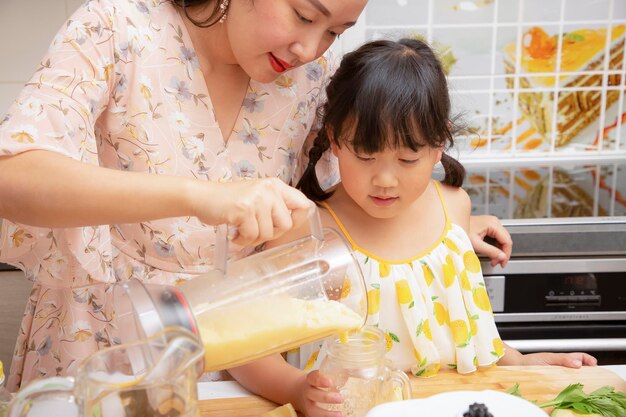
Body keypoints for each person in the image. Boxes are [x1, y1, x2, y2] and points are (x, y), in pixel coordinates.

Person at [0, 0, 509, 391]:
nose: (310, 49)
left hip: (247, 364)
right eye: (303, 14)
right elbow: (14, 177)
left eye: (335, 31)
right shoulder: (116, 27)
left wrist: (447, 224)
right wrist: (200, 197)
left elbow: (365, 184)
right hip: (103, 345)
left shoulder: (309, 80)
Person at [227, 38, 597, 417]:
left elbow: (463, 330)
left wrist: (518, 363)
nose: (385, 180)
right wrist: (295, 389)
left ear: (438, 145)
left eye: (407, 159)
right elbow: (242, 348)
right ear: (336, 141)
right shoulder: (305, 230)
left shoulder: (454, 209)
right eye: (366, 156)